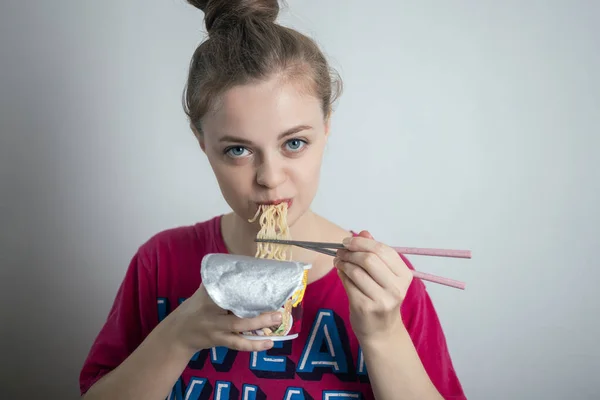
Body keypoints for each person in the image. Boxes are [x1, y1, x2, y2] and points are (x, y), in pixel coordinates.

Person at [79, 1, 467, 399]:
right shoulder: (160, 264)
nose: (269, 177)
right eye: (237, 150)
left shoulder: (387, 285)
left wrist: (383, 334)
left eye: (294, 143)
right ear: (203, 144)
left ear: (327, 128)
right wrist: (177, 336)